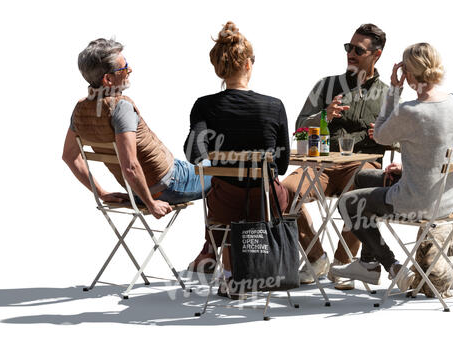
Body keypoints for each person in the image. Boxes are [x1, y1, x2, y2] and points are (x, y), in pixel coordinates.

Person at [330, 42, 453, 292]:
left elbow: (380, 135)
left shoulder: (410, 111)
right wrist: (407, 171)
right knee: (364, 178)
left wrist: (393, 89)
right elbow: (445, 151)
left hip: (416, 202)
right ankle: (368, 263)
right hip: (446, 199)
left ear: (409, 74)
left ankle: (392, 266)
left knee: (347, 202)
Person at [183, 22, 290, 298]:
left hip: (223, 208)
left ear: (220, 68)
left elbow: (194, 154)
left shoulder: (204, 106)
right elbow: (283, 165)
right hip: (266, 204)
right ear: (248, 65)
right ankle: (287, 265)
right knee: (289, 192)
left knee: (226, 202)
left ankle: (230, 274)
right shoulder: (274, 105)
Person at [281, 24, 391, 290]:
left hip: (364, 166)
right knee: (283, 192)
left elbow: (406, 137)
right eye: (348, 47)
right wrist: (324, 116)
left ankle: (343, 262)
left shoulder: (389, 95)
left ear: (376, 55)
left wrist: (387, 136)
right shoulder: (327, 86)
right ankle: (316, 257)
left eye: (358, 50)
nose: (350, 54)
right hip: (323, 166)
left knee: (360, 191)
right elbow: (298, 128)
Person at [62, 38, 212, 220]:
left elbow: (69, 156)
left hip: (138, 191)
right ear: (108, 79)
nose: (130, 70)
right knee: (223, 168)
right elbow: (131, 166)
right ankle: (216, 244)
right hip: (170, 186)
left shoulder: (80, 111)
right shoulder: (121, 107)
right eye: (124, 68)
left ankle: (212, 243)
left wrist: (101, 193)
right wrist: (151, 204)